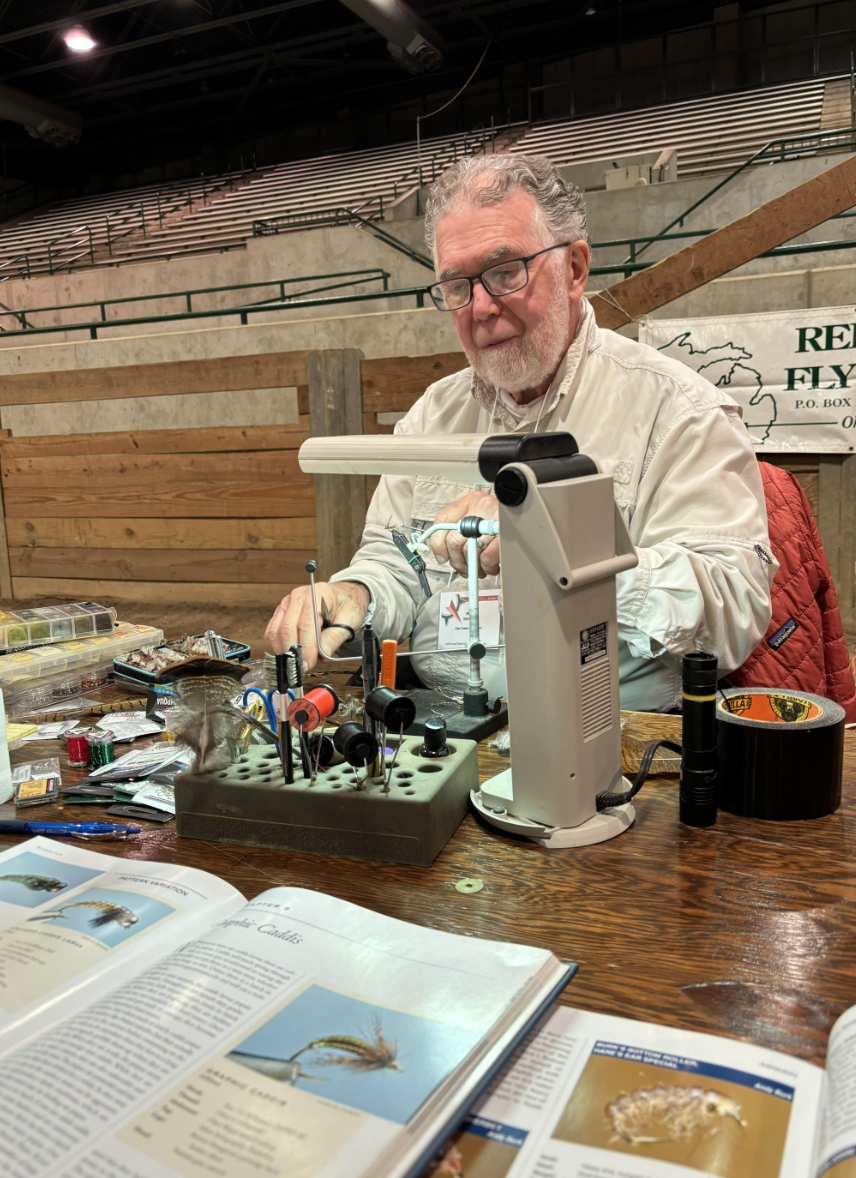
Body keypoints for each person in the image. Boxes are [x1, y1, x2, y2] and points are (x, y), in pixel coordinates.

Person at [265, 153, 776, 711]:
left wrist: (547, 541)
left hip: (612, 734)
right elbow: (398, 563)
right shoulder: (432, 416)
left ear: (574, 269)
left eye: (506, 272)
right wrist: (357, 592)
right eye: (456, 285)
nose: (481, 307)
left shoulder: (677, 411)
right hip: (441, 725)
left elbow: (733, 611)